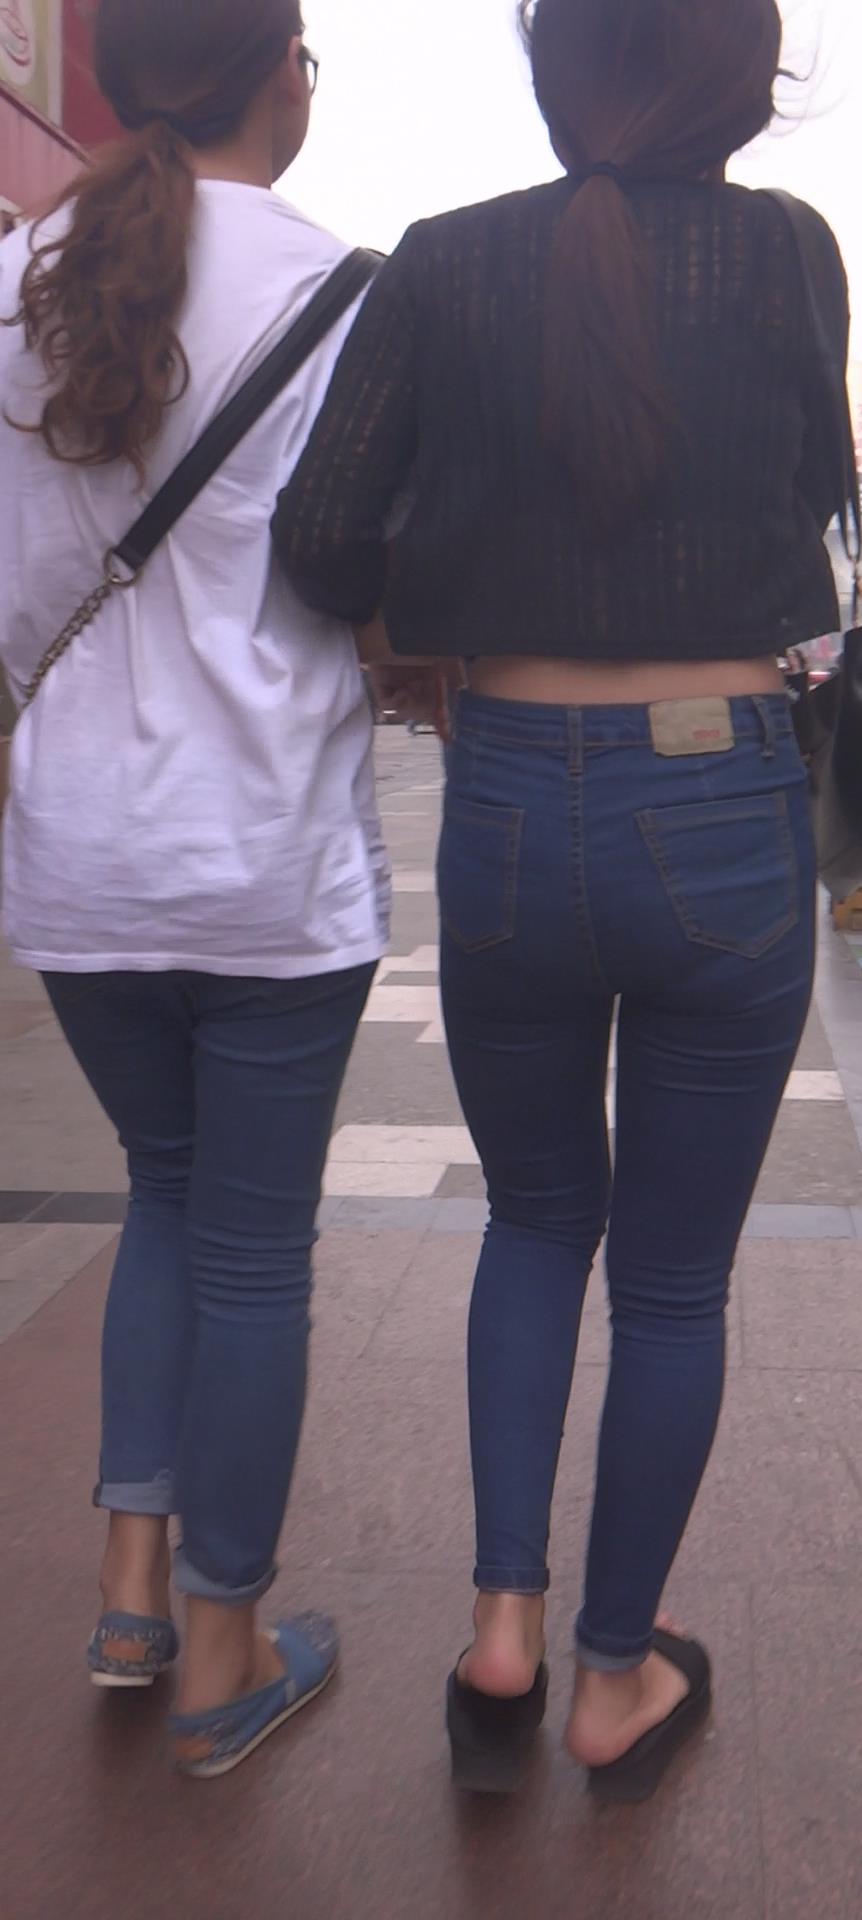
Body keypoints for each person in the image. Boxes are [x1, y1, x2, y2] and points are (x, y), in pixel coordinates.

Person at [276, 0, 837, 1802]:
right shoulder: (787, 255)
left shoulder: (440, 263)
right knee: (671, 1280)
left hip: (510, 792)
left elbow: (320, 536)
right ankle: (614, 1678)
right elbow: (810, 505)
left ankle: (500, 1630)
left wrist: (440, 613)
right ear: (737, 78)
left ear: (554, 70)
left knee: (532, 1224)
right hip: (722, 792)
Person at [0, 0, 388, 1778]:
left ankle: (130, 1592)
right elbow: (379, 581)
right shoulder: (347, 295)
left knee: (161, 1198)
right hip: (266, 861)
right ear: (274, 71)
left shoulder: (23, 278)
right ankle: (229, 1652)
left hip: (79, 859)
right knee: (250, 1249)